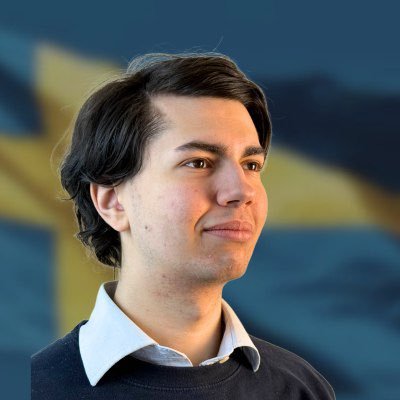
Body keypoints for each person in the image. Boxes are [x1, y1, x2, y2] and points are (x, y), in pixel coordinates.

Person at [31, 52, 335, 399]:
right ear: (113, 201)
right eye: (199, 162)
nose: (242, 191)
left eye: (251, 165)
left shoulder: (299, 389)